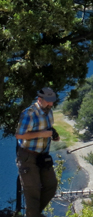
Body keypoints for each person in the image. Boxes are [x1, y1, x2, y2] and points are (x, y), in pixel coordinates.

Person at [15, 87, 60, 217]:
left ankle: (33, 214)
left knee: (51, 186)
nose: (51, 104)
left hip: (43, 156)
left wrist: (53, 134)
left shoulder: (49, 112)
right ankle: (33, 214)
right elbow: (19, 135)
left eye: (52, 101)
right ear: (39, 99)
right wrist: (42, 134)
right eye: (48, 101)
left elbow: (48, 127)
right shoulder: (29, 113)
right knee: (33, 193)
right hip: (28, 156)